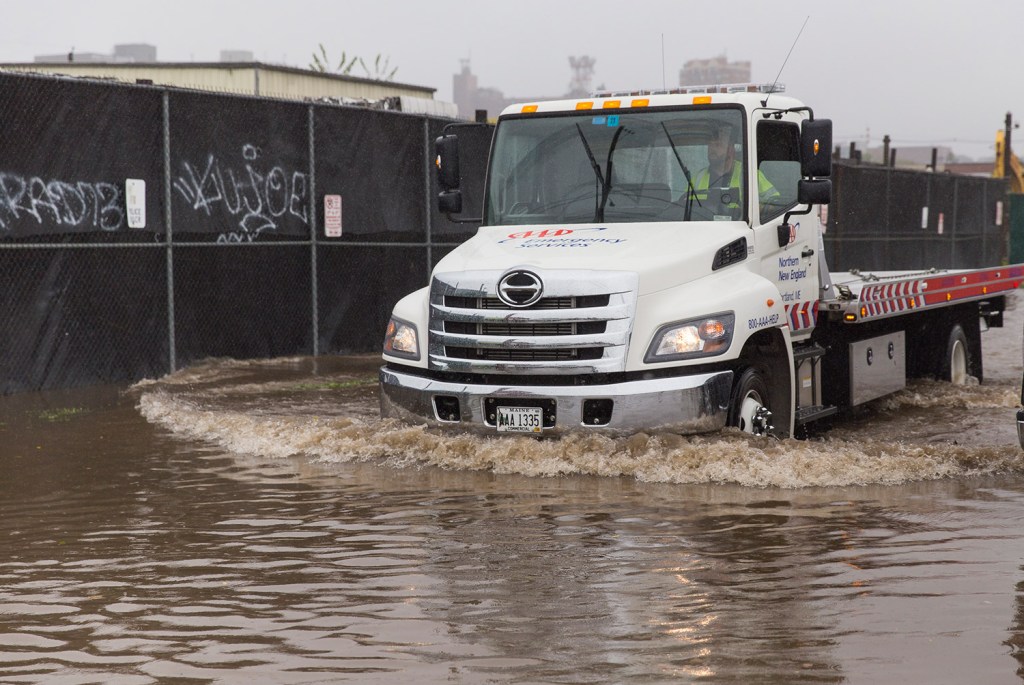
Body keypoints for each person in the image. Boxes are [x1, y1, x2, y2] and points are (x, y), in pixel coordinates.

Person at [692, 121, 780, 219]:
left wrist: (745, 210)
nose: (712, 149)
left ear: (730, 149)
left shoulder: (749, 174)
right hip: (706, 228)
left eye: (717, 145)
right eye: (710, 145)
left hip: (741, 227)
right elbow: (685, 205)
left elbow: (775, 204)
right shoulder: (698, 177)